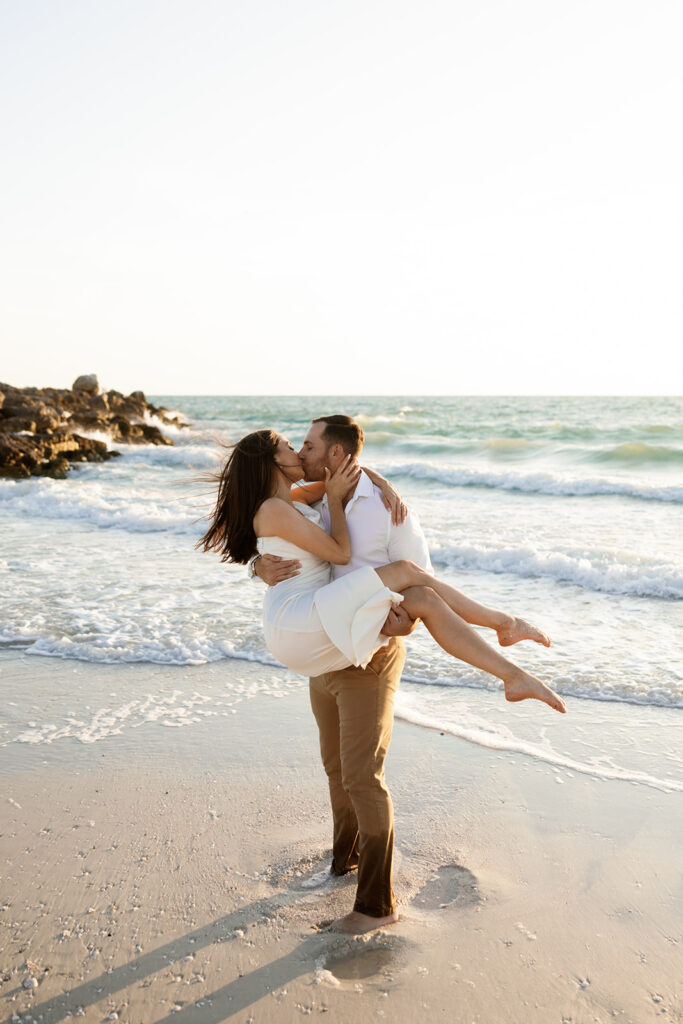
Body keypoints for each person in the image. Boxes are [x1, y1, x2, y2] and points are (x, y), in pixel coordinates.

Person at [201, 421, 565, 932]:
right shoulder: (302, 498)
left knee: (357, 773)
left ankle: (373, 903)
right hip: (316, 630)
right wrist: (259, 562)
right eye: (290, 446)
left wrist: (373, 479)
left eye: (305, 445)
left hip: (342, 640)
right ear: (273, 463)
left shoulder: (343, 499)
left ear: (334, 454)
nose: (297, 450)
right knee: (340, 768)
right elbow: (322, 547)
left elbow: (351, 535)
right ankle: (346, 865)